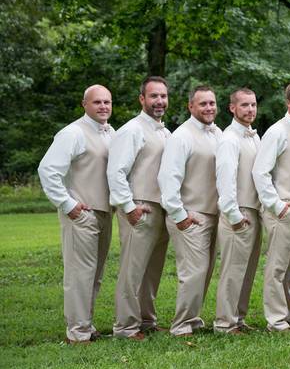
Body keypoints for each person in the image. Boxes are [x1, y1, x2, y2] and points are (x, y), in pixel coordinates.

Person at [38, 85, 115, 344]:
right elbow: (48, 170)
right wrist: (67, 204)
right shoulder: (72, 133)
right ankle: (77, 331)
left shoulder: (111, 133)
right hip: (81, 214)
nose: (103, 106)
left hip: (105, 213)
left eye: (107, 101)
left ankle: (86, 324)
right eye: (97, 102)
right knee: (79, 273)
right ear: (84, 104)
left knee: (95, 274)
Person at [108, 76, 171, 340]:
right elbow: (116, 171)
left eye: (163, 96)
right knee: (132, 269)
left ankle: (146, 319)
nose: (159, 101)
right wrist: (128, 206)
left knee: (152, 269)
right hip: (140, 207)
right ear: (142, 99)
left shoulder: (165, 132)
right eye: (154, 96)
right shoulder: (132, 130)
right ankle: (125, 326)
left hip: (161, 208)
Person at [159, 85, 222, 337]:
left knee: (204, 271)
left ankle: (193, 319)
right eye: (203, 104)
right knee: (193, 272)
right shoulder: (182, 136)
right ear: (191, 107)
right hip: (191, 214)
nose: (209, 108)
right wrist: (179, 214)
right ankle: (181, 325)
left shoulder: (217, 133)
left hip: (213, 213)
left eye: (212, 103)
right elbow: (168, 178)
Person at [253, 80, 290, 332]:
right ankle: (276, 319)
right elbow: (260, 172)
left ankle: (289, 313)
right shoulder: (277, 131)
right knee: (277, 267)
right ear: (288, 102)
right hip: (284, 209)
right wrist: (276, 205)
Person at [214, 88, 261, 334]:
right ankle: (225, 322)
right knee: (232, 271)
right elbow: (226, 179)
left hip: (252, 211)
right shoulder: (230, 138)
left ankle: (238, 318)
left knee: (246, 269)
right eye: (244, 105)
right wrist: (233, 215)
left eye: (253, 105)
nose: (250, 109)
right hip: (238, 213)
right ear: (232, 108)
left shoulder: (253, 136)